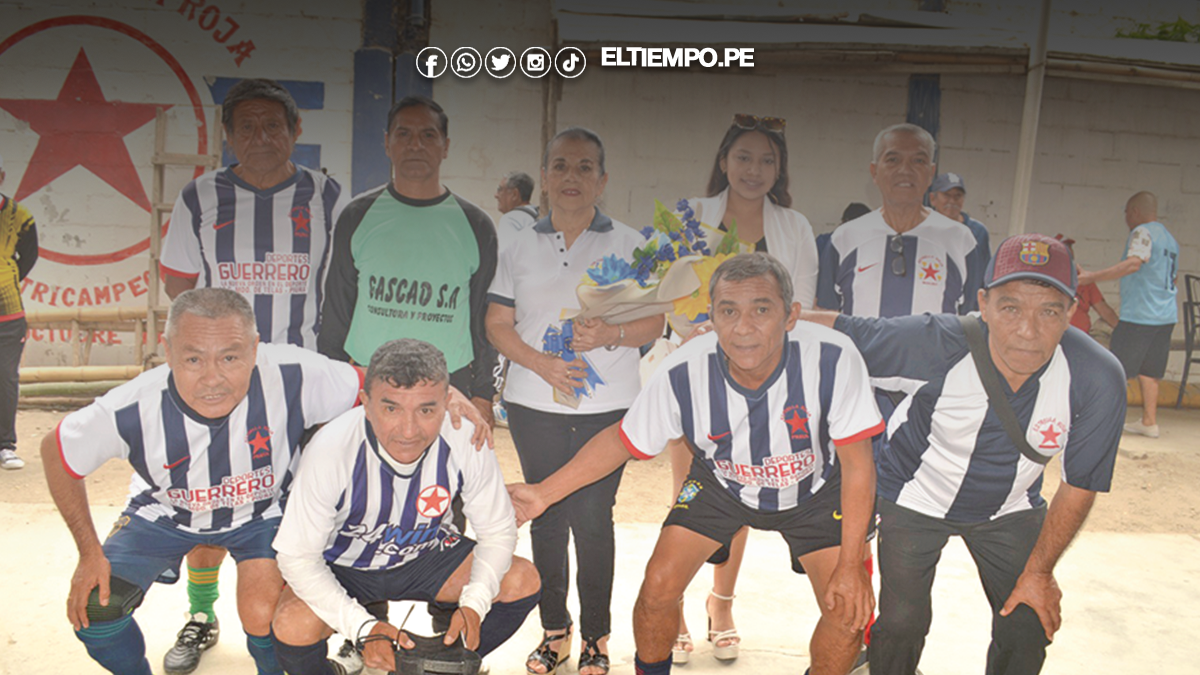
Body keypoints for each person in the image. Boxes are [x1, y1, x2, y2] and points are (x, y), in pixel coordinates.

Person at [510, 253, 885, 675]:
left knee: (848, 611)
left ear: (791, 315)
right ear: (712, 316)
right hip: (720, 485)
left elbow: (858, 465)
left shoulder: (834, 358)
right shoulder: (682, 371)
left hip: (815, 491)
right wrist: (543, 494)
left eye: (762, 309)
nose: (743, 327)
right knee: (658, 587)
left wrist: (853, 563)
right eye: (728, 311)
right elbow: (621, 440)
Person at [803, 234, 1126, 675]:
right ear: (984, 304)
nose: (1027, 331)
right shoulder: (936, 343)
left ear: (1071, 312)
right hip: (913, 497)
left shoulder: (1096, 377)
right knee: (901, 624)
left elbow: (1079, 485)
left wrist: (1039, 573)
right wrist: (748, 324)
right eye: (1010, 307)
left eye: (1049, 311)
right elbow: (843, 330)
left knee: (1030, 624)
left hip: (1008, 507)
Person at [40, 289, 362, 675]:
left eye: (230, 357)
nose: (213, 378)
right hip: (166, 512)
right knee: (97, 607)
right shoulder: (132, 406)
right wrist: (89, 552)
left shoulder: (292, 372)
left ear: (255, 349)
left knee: (265, 615)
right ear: (168, 351)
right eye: (193, 358)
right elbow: (56, 452)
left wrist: (445, 395)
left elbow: (373, 386)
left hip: (261, 511)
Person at [157, 77, 349, 674]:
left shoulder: (328, 196)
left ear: (295, 131)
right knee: (213, 502)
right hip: (225, 388)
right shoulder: (199, 197)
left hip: (307, 388)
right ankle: (201, 613)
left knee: (323, 504)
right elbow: (177, 284)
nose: (260, 136)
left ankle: (336, 619)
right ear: (229, 136)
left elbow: (347, 281)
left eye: (273, 125)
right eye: (247, 126)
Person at [485, 127, 665, 675]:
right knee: (544, 513)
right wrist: (540, 364)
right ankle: (554, 632)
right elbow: (498, 324)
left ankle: (596, 638)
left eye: (585, 167)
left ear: (602, 180)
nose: (571, 177)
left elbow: (654, 322)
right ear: (543, 177)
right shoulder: (514, 244)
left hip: (607, 407)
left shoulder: (632, 244)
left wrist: (609, 336)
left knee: (592, 519)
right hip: (533, 403)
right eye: (561, 166)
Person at [271, 338, 540, 674]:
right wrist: (362, 628)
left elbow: (497, 530)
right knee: (291, 623)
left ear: (446, 403)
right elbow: (297, 557)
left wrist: (475, 602)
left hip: (424, 556)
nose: (409, 430)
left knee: (521, 580)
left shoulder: (466, 437)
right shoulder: (331, 448)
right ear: (366, 404)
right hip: (346, 565)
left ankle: (441, 665)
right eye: (391, 408)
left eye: (426, 410)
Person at [668, 113, 821, 665]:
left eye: (766, 160)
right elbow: (665, 291)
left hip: (766, 379)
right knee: (691, 491)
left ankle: (722, 603)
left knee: (741, 488)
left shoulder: (796, 226)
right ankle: (676, 608)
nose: (753, 170)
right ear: (724, 161)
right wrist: (694, 325)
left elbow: (800, 306)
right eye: (743, 157)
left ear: (778, 169)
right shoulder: (692, 216)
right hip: (698, 373)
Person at [319, 95, 497, 428]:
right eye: (403, 134)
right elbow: (336, 311)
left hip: (448, 387)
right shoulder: (358, 215)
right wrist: (330, 390)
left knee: (440, 481)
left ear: (445, 146)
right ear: (387, 143)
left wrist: (483, 393)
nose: (415, 144)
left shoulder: (477, 225)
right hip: (370, 382)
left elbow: (482, 320)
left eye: (428, 135)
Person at [817, 123, 981, 318]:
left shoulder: (960, 239)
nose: (905, 170)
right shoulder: (845, 238)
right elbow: (825, 315)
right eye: (893, 159)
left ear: (931, 173)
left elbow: (973, 320)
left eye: (918, 160)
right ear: (874, 171)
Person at [1078, 191, 1179, 438]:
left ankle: (1106, 421)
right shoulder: (1170, 240)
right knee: (1150, 371)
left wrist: (1092, 276)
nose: (1126, 218)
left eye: (1126, 213)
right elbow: (1172, 278)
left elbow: (1134, 263)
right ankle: (1149, 422)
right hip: (1165, 316)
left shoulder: (1142, 232)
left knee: (1117, 369)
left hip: (1140, 315)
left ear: (1134, 211)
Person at [0, 152, 39, 470]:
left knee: (5, 378)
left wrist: (6, 280)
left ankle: (4, 446)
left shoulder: (19, 216)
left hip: (8, 316)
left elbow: (27, 258)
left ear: (1, 178)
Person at [1054, 235, 1118, 336]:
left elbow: (1103, 310)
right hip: (1056, 335)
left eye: (1069, 247)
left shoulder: (1083, 278)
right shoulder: (1048, 278)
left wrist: (1121, 330)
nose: (1067, 252)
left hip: (1081, 337)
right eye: (1063, 248)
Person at [928, 172, 992, 271]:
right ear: (933, 199)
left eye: (958, 196)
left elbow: (986, 270)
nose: (952, 201)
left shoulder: (978, 232)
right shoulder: (924, 229)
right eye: (947, 195)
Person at [494, 171, 539, 252]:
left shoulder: (511, 219)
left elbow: (505, 256)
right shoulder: (537, 216)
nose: (496, 195)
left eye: (500, 190)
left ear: (515, 194)